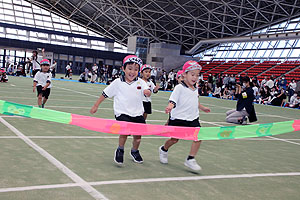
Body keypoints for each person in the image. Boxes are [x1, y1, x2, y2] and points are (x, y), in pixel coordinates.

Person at [90, 55, 151, 165]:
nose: (132, 72)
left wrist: (147, 92)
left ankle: (134, 151)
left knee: (138, 136)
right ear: (123, 69)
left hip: (137, 113)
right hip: (122, 112)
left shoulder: (141, 82)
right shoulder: (118, 82)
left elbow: (147, 90)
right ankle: (120, 149)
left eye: (136, 69)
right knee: (124, 132)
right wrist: (96, 105)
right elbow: (105, 94)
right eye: (130, 68)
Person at [158, 60, 211, 171]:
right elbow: (173, 100)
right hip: (178, 118)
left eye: (197, 75)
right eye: (192, 74)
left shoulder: (195, 88)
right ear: (184, 75)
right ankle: (163, 149)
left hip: (192, 118)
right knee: (174, 140)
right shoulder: (179, 88)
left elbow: (195, 101)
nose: (195, 77)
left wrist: (202, 108)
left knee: (198, 137)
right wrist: (169, 107)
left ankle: (190, 159)